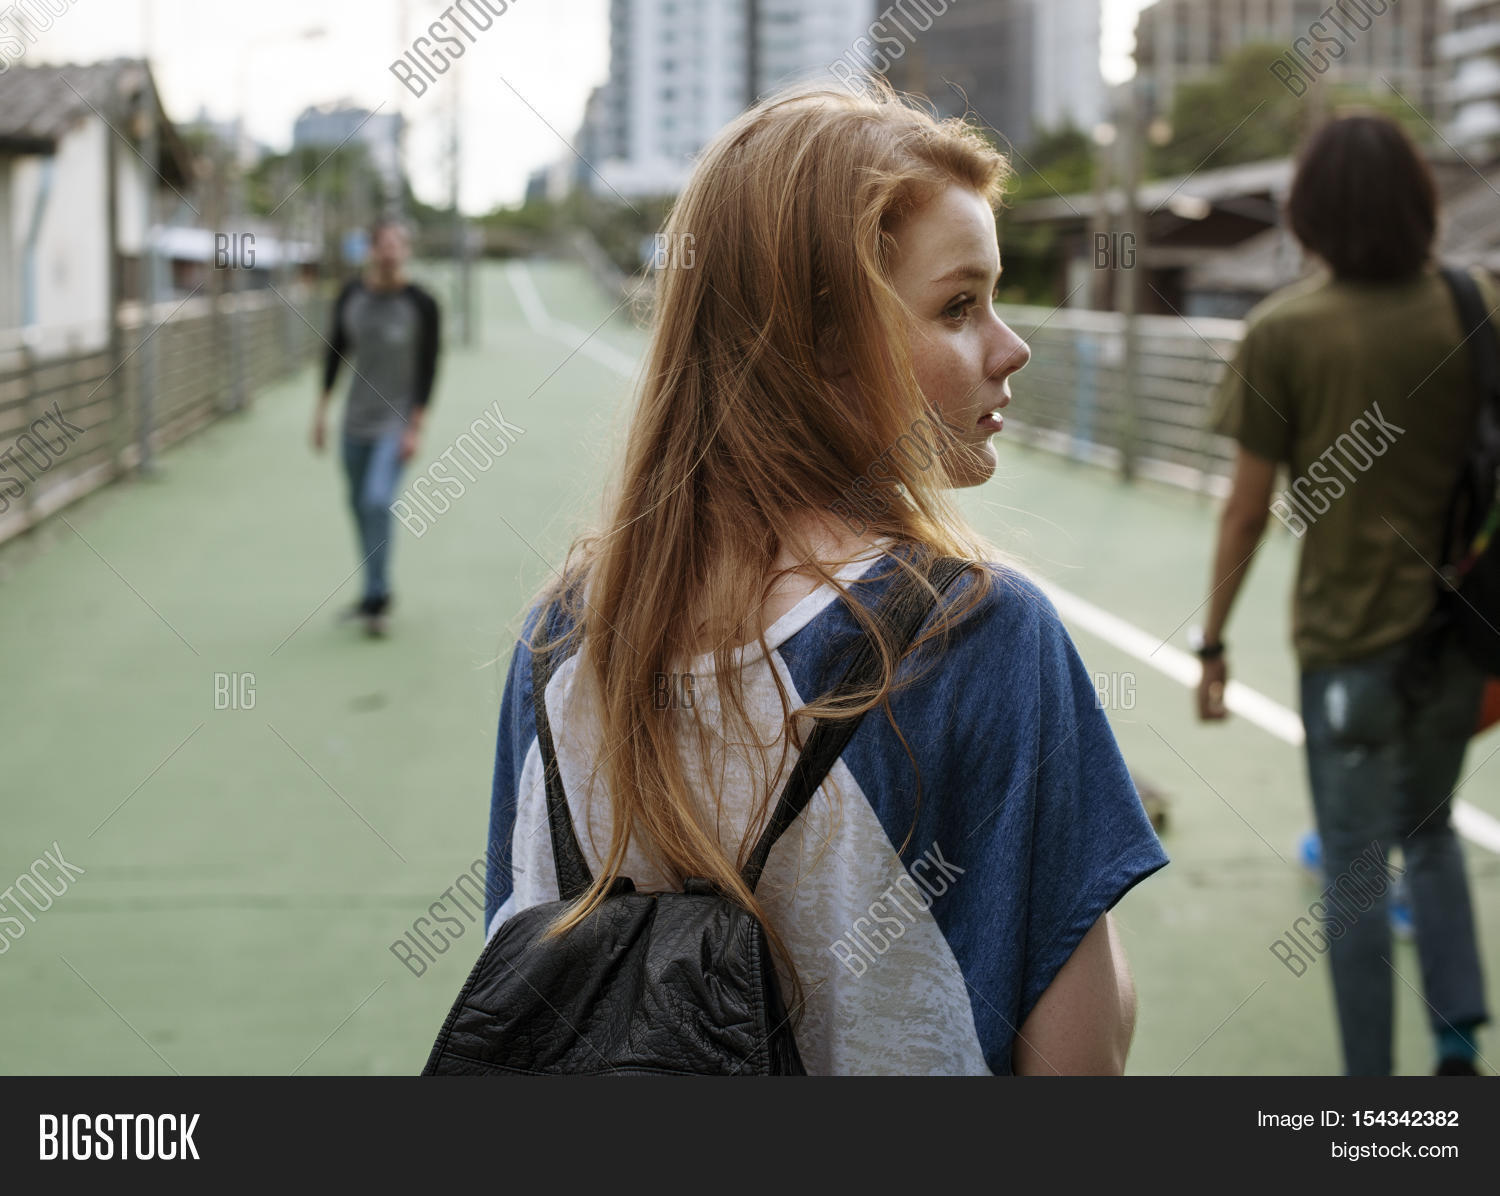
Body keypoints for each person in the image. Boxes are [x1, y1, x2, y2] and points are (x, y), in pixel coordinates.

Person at [480, 77, 1169, 1075]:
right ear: (826, 342)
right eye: (960, 305)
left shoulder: (561, 637)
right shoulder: (976, 637)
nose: (1010, 347)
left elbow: (521, 985)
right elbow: (1079, 1062)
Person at [1196, 112, 1493, 1076]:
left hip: (1346, 649)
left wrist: (1212, 644)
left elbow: (1245, 513)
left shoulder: (1283, 330)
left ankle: (1371, 1104)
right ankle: (1456, 1049)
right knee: (1433, 827)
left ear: (1307, 211)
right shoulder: (1475, 301)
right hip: (1460, 639)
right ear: (1418, 203)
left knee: (1358, 874)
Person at [313, 217, 441, 636]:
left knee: (376, 500)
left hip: (396, 420)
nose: (389, 252)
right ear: (371, 250)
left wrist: (415, 426)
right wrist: (321, 410)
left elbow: (428, 367)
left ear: (405, 250)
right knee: (357, 506)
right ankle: (371, 590)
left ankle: (379, 594)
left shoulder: (422, 303)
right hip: (354, 422)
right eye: (382, 244)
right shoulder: (351, 295)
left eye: (397, 244)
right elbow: (335, 353)